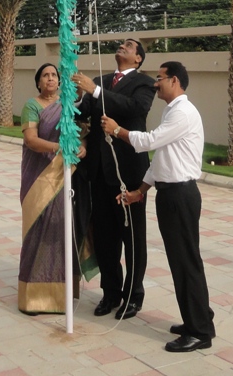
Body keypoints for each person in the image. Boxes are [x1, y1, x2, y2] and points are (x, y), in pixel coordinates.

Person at [101, 61, 215, 353]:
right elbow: (162, 158)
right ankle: (198, 320)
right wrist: (141, 190)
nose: (156, 84)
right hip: (169, 194)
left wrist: (117, 131)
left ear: (174, 80)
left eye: (161, 78)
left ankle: (199, 331)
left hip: (180, 195)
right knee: (183, 261)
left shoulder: (183, 113)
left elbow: (149, 142)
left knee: (185, 262)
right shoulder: (172, 111)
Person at [72, 39, 155, 319]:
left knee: (132, 238)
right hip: (99, 173)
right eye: (122, 43)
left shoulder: (144, 84)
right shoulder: (100, 80)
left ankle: (133, 295)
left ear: (138, 59)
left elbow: (135, 110)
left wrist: (95, 91)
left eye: (130, 45)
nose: (123, 46)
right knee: (106, 238)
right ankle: (110, 293)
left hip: (129, 174)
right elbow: (83, 113)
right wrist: (75, 96)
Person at [18, 62, 96, 314]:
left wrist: (82, 145)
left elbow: (81, 132)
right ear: (38, 82)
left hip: (64, 179)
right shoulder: (32, 106)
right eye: (45, 75)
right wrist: (57, 148)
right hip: (38, 179)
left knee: (60, 233)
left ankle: (61, 295)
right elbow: (30, 139)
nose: (51, 78)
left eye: (54, 75)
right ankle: (33, 298)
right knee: (36, 233)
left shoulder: (67, 107)